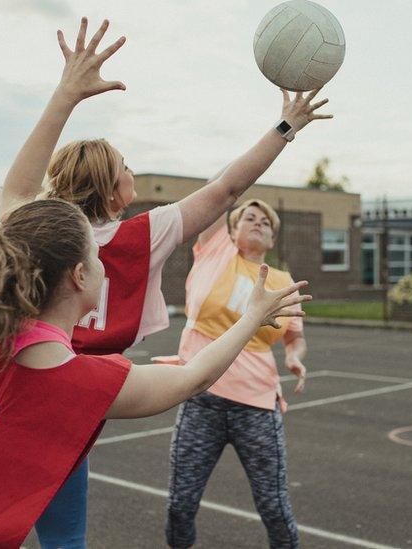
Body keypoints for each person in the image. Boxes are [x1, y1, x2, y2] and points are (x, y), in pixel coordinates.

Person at [0, 17, 332, 548]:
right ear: (113, 192)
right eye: (127, 167)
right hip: (73, 394)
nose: (134, 173)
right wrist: (285, 128)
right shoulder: (142, 234)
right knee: (56, 537)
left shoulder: (36, 228)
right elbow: (228, 187)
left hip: (15, 380)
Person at [0, 202, 308, 547]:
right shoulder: (78, 380)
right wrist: (251, 317)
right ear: (77, 276)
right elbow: (194, 380)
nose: (103, 266)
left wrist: (67, 94)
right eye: (95, 258)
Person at [164, 199, 308, 548]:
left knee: (274, 507)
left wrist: (295, 357)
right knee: (180, 505)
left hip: (256, 406)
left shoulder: (283, 282)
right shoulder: (216, 254)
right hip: (201, 399)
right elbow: (221, 196)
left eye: (266, 223)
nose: (258, 223)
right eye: (249, 218)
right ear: (230, 229)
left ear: (272, 240)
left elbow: (295, 338)